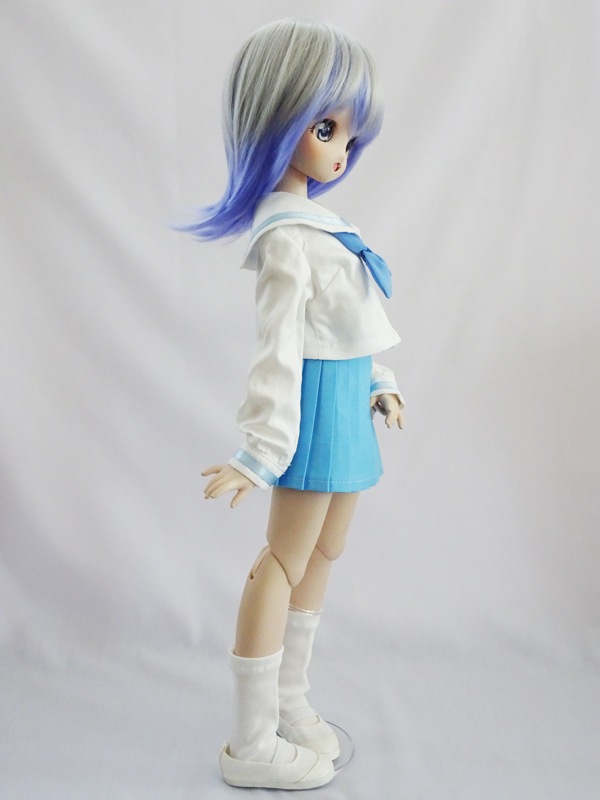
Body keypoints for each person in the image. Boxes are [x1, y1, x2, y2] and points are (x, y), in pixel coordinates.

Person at [181, 18, 404, 790]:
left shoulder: (321, 226)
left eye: (349, 132)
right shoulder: (285, 236)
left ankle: (289, 701)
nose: (341, 149)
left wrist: (378, 382)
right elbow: (278, 351)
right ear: (278, 123)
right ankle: (250, 739)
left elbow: (347, 325)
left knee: (323, 553)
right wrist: (259, 451)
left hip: (347, 406)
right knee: (282, 559)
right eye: (325, 127)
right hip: (309, 413)